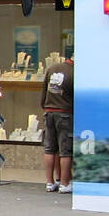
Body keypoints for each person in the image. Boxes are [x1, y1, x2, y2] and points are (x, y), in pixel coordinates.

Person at [40, 47, 74, 193]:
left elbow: (43, 92)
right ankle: (65, 184)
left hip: (49, 111)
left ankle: (50, 182)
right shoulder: (74, 73)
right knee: (65, 151)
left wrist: (45, 106)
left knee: (50, 149)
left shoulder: (52, 69)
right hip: (65, 113)